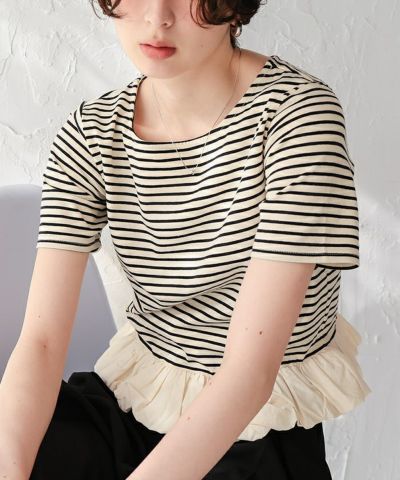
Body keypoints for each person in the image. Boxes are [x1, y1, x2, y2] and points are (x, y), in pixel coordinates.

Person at [0, 1, 371, 479]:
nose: (158, 17)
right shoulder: (91, 133)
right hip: (137, 402)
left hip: (250, 430)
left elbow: (249, 376)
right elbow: (42, 342)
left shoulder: (297, 116)